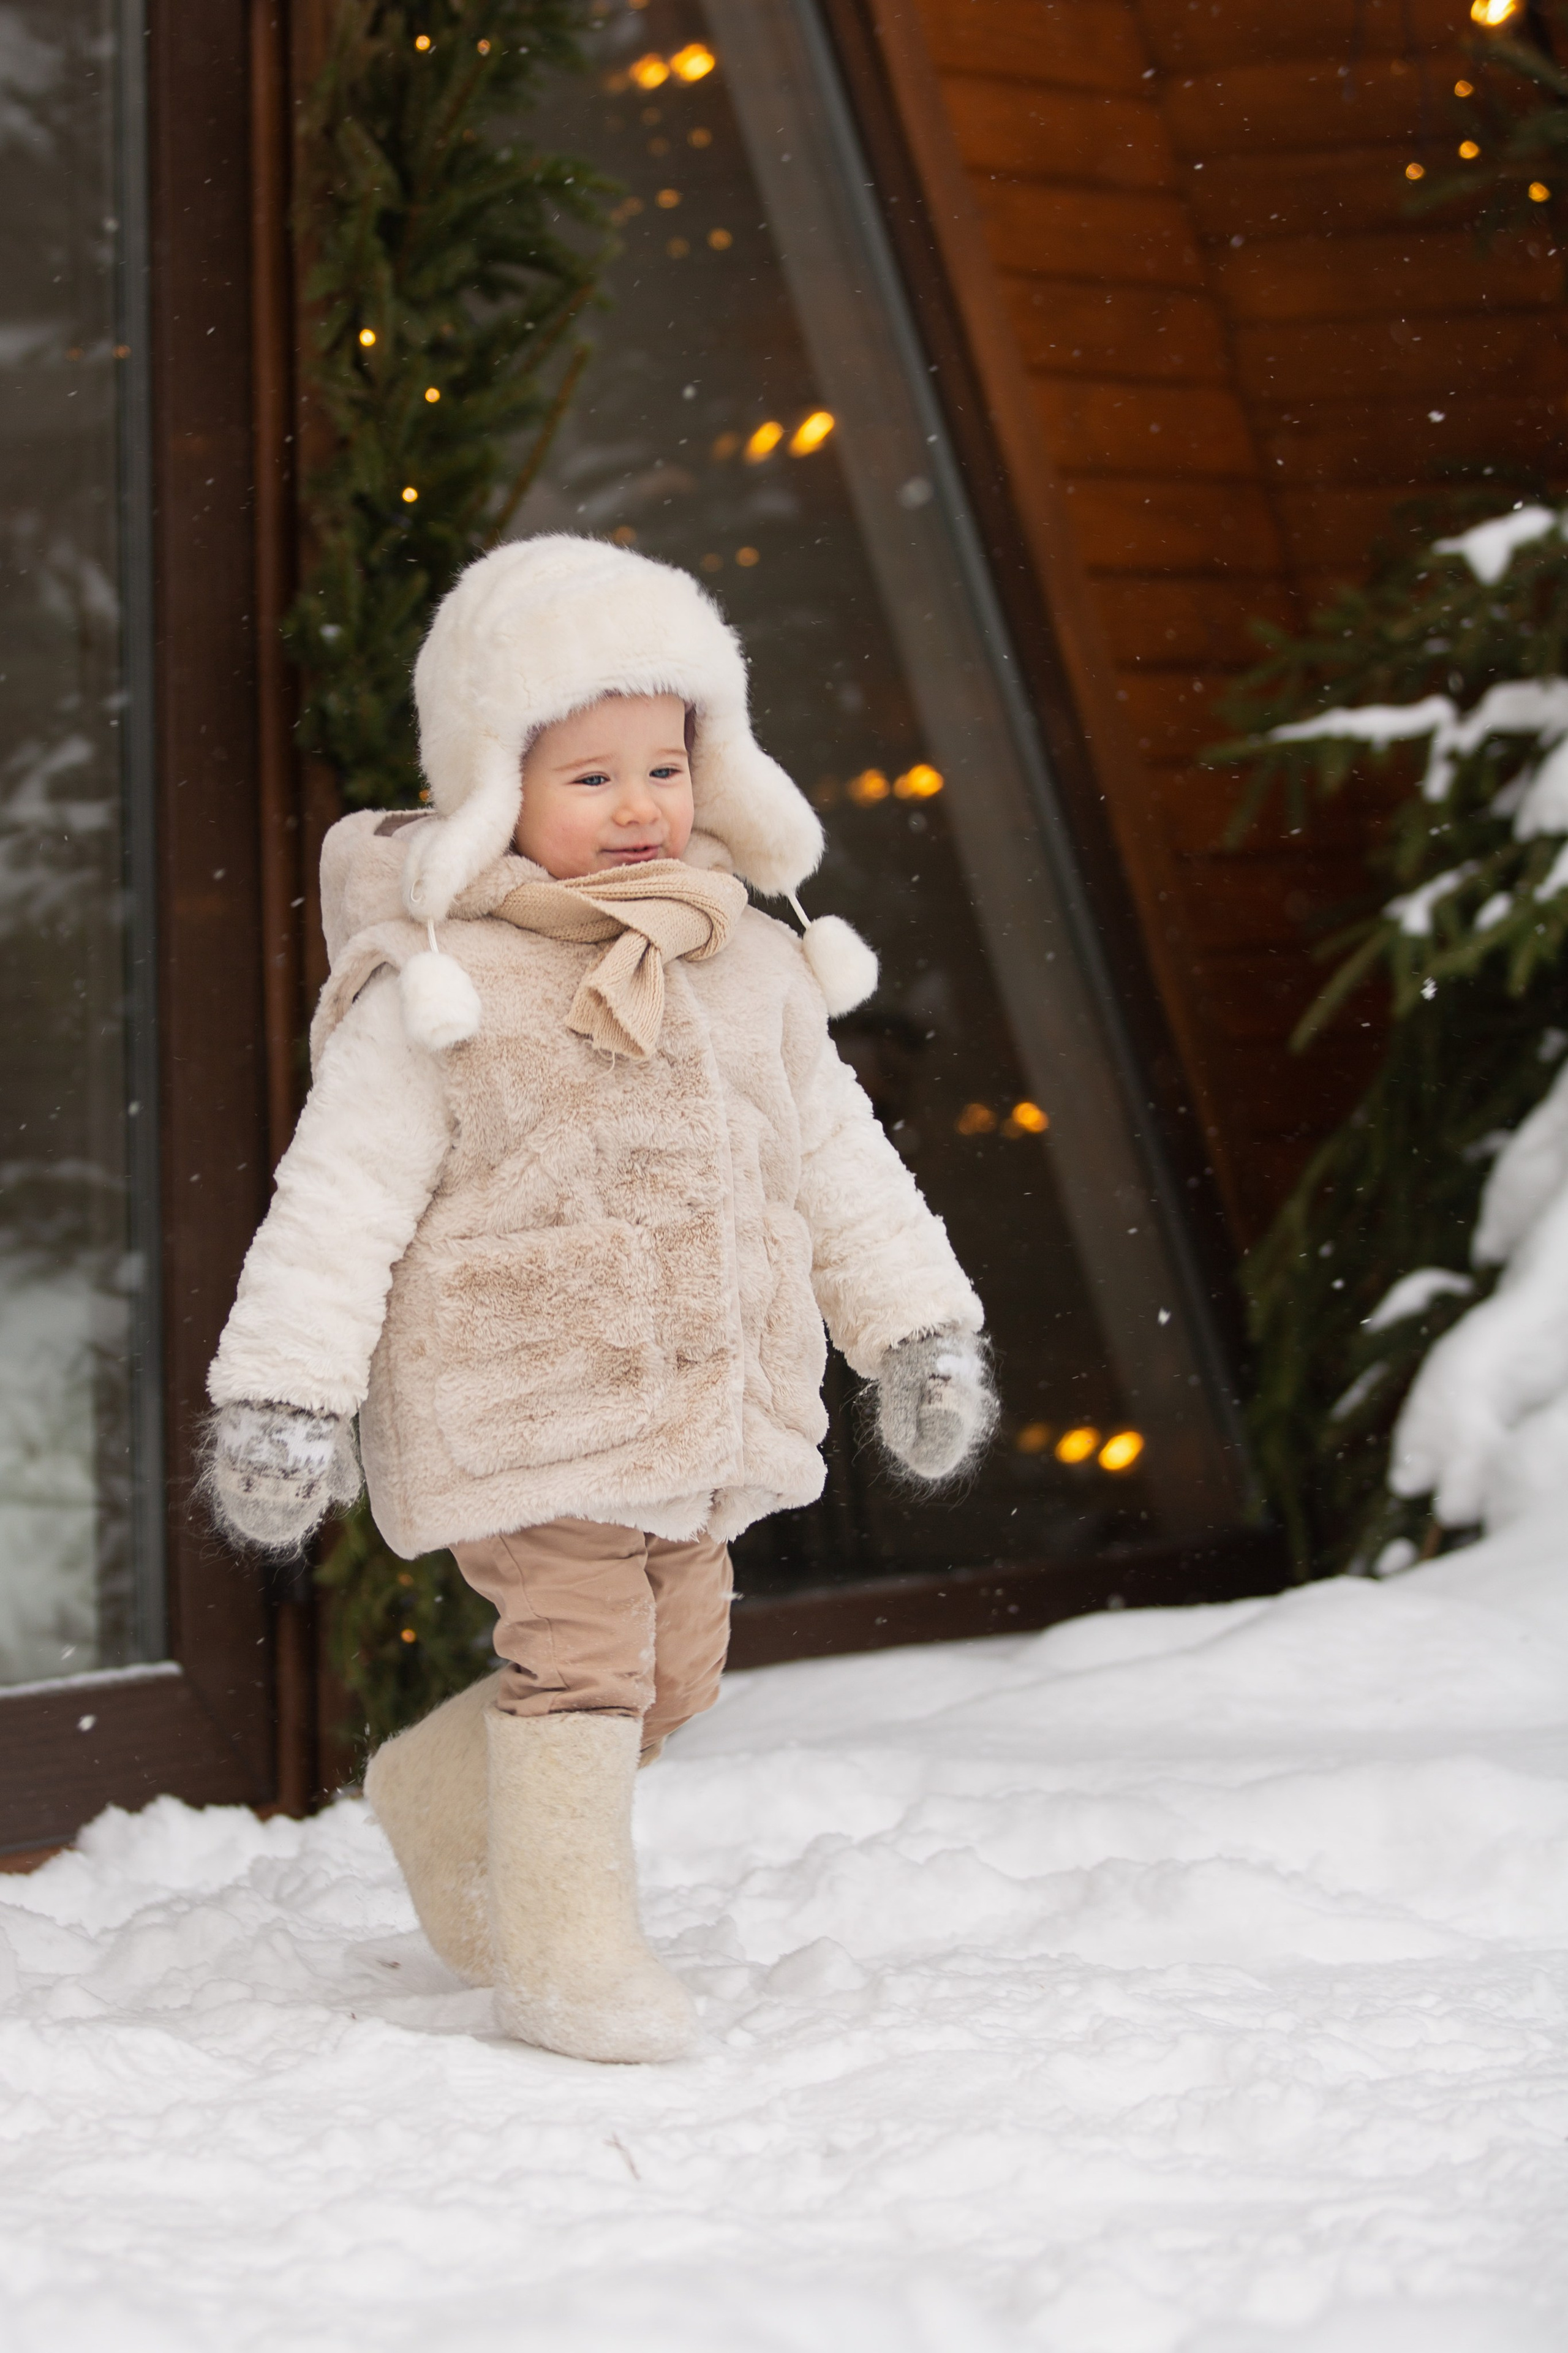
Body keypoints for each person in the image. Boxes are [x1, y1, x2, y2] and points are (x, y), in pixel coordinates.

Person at [204, 534, 995, 2064]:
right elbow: (339, 1199)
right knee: (577, 1658)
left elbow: (836, 1166)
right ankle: (567, 1959)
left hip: (695, 1411)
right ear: (498, 786)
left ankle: (443, 1788)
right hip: (521, 1385)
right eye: (590, 779)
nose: (638, 806)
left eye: (664, 767)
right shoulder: (443, 986)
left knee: (673, 1676)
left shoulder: (754, 968)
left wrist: (912, 1326)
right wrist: (286, 1391)